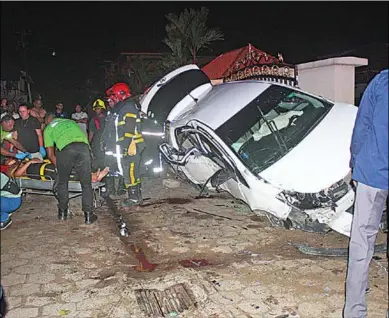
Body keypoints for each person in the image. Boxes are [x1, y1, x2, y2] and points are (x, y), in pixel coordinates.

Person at [344, 69, 388, 318]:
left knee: (361, 243)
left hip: (372, 173)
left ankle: (354, 312)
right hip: (373, 171)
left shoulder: (382, 81)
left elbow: (362, 127)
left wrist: (355, 163)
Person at [44, 113, 98, 224]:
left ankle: (62, 213)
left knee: (62, 182)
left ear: (47, 121)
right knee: (86, 183)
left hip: (65, 149)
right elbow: (85, 139)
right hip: (83, 148)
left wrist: (59, 167)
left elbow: (50, 154)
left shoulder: (48, 128)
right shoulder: (71, 122)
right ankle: (88, 215)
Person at [103, 82, 146, 207]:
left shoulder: (128, 107)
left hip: (132, 145)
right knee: (132, 171)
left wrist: (127, 145)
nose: (113, 99)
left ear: (121, 95)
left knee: (130, 170)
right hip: (131, 144)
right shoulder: (124, 107)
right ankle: (136, 195)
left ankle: (133, 198)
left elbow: (129, 127)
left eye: (114, 96)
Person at [2, 157, 109, 183]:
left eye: (9, 159)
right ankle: (92, 178)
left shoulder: (22, 162)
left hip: (46, 166)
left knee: (70, 169)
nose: (10, 160)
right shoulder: (13, 171)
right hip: (44, 172)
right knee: (68, 175)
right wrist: (29, 162)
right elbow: (17, 175)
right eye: (7, 161)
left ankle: (91, 174)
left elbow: (37, 160)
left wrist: (31, 160)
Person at [88, 99, 106, 170]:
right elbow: (91, 132)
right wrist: (88, 143)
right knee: (98, 158)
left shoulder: (108, 118)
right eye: (95, 109)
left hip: (106, 141)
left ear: (102, 109)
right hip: (97, 142)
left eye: (98, 108)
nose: (96, 110)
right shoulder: (93, 120)